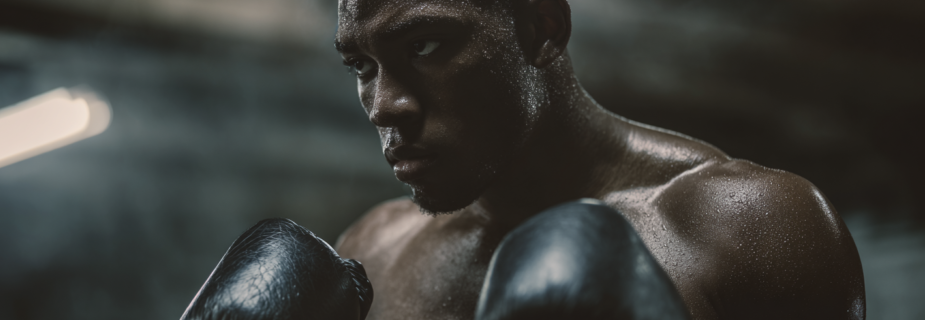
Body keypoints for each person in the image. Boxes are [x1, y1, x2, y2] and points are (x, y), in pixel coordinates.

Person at [330, 0, 866, 319]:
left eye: (424, 46)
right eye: (361, 65)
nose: (384, 107)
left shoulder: (750, 230)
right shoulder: (371, 255)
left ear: (542, 28)